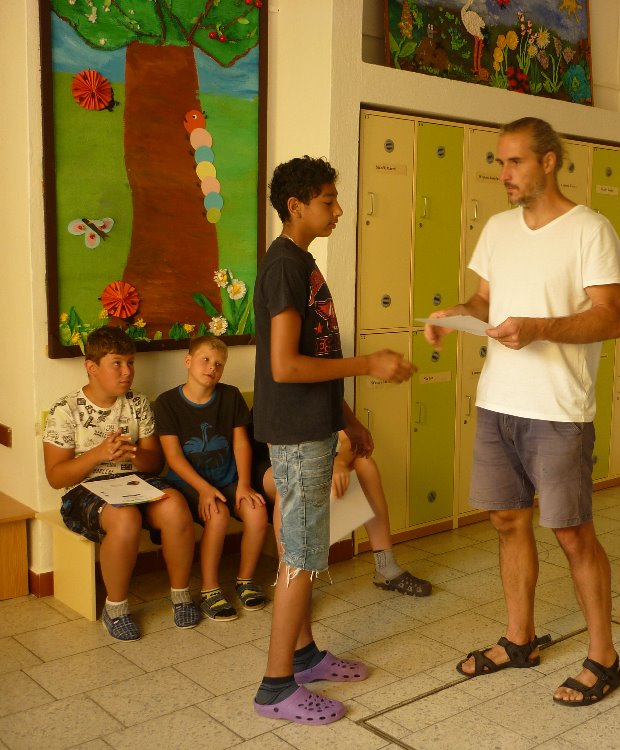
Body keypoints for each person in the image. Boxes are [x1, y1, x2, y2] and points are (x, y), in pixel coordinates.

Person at [424, 117, 620, 706]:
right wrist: (455, 313)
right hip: (498, 402)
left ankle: (604, 657)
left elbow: (611, 317)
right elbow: (484, 300)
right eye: (499, 162)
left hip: (558, 409)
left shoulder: (589, 229)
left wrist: (540, 328)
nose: (503, 174)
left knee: (571, 532)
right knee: (507, 522)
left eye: (514, 162)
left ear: (549, 161)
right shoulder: (497, 228)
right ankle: (520, 640)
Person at [252, 155, 416, 725]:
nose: (340, 209)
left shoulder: (301, 262)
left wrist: (347, 420)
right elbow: (285, 366)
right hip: (297, 436)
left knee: (303, 551)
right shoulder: (285, 266)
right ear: (295, 206)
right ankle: (276, 687)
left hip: (314, 426)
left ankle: (304, 656)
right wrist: (368, 363)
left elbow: (314, 358)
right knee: (300, 557)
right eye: (328, 200)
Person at [42, 325, 199, 641]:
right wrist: (98, 454)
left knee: (176, 506)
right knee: (125, 517)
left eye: (130, 363)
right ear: (92, 367)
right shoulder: (65, 409)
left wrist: (134, 454)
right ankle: (115, 609)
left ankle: (181, 595)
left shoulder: (136, 403)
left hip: (134, 481)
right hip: (84, 491)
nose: (127, 371)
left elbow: (155, 463)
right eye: (117, 363)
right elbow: (56, 477)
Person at [154, 335, 270, 621]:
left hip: (228, 480)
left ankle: (245, 581)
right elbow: (173, 456)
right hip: (188, 484)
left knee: (257, 510)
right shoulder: (167, 402)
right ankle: (210, 589)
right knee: (217, 515)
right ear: (188, 361)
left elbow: (241, 443)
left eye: (219, 364)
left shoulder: (230, 396)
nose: (211, 368)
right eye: (205, 360)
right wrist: (204, 489)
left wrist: (244, 484)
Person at [332, 430, 431, 596]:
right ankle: (294, 577)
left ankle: (385, 567)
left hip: (321, 464)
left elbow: (348, 438)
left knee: (365, 464)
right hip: (289, 468)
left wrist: (340, 462)